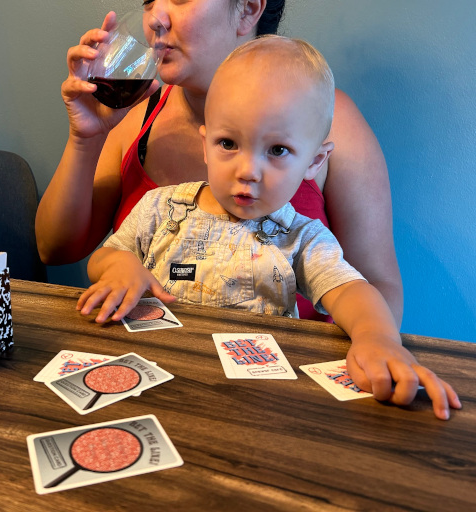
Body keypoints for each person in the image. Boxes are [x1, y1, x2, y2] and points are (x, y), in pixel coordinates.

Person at [77, 36, 460, 421]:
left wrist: (377, 337)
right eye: (228, 143)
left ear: (314, 161)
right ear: (206, 145)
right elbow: (105, 257)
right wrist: (118, 266)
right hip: (159, 386)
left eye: (277, 150)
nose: (248, 171)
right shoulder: (160, 208)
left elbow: (351, 292)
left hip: (259, 401)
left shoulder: (303, 239)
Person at [35, 0, 403, 325]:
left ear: (248, 8)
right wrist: (85, 138)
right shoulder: (134, 118)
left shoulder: (330, 123)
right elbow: (56, 250)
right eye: (149, 0)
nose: (154, 18)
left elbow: (375, 284)